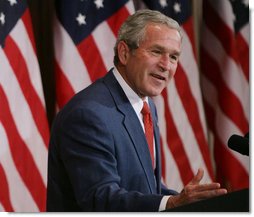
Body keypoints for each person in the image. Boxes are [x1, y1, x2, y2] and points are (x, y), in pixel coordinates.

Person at [46, 9, 227, 212]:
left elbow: (145, 186)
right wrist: (173, 203)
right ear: (124, 53)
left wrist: (190, 202)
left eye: (174, 56)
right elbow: (100, 198)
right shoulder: (88, 115)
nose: (166, 65)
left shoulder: (145, 106)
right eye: (156, 52)